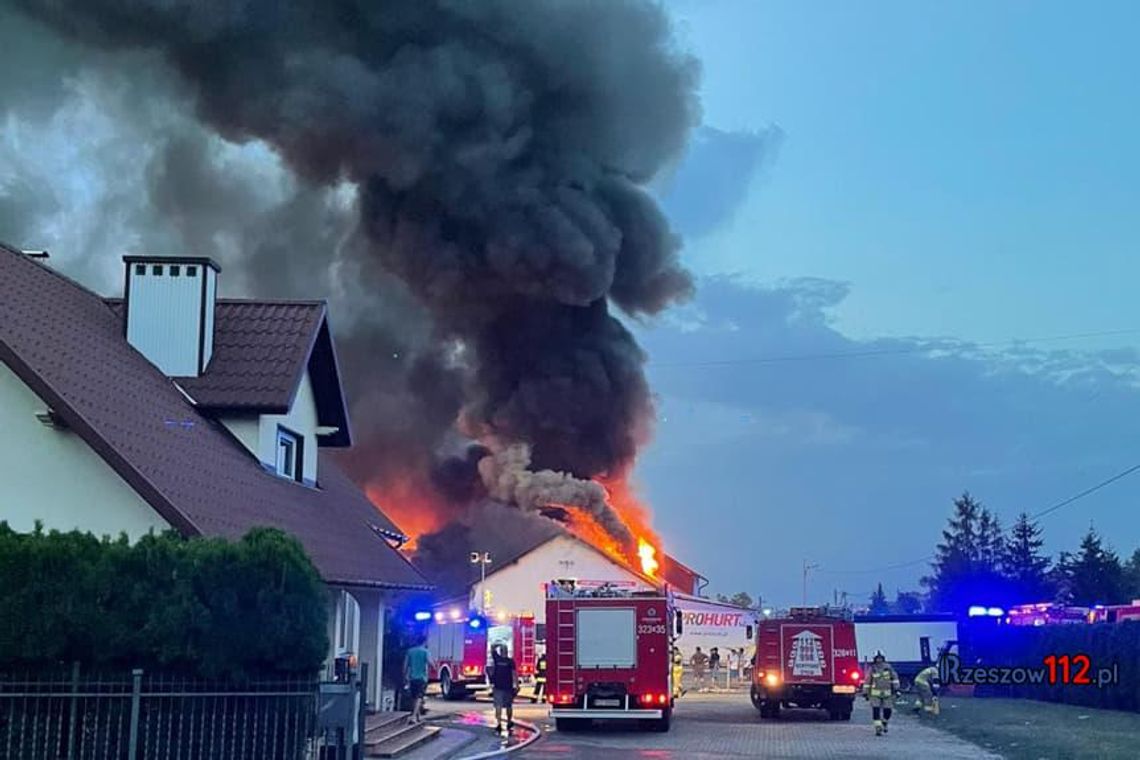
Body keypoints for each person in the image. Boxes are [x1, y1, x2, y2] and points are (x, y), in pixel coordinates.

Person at [863, 651, 900, 736]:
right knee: (875, 710)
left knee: (888, 711)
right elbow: (868, 681)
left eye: (880, 658)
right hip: (875, 694)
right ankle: (878, 728)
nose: (879, 660)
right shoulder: (872, 669)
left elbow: (895, 678)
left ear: (883, 658)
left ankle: (884, 722)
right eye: (877, 658)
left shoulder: (888, 667)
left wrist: (897, 689)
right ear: (875, 659)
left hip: (887, 694)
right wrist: (865, 692)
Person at [488, 643, 519, 733]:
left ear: (500, 651)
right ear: (507, 651)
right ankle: (509, 722)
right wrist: (516, 685)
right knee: (509, 706)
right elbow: (514, 674)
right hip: (508, 687)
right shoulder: (510, 661)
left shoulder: (497, 659)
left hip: (498, 687)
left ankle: (499, 724)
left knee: (498, 705)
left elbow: (492, 647)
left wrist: (499, 644)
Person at [403, 636, 432, 725]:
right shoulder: (425, 652)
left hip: (412, 678)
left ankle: (417, 716)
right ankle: (414, 717)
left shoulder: (410, 651)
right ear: (424, 642)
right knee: (419, 697)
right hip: (422, 678)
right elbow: (431, 663)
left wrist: (405, 676)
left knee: (413, 697)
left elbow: (405, 665)